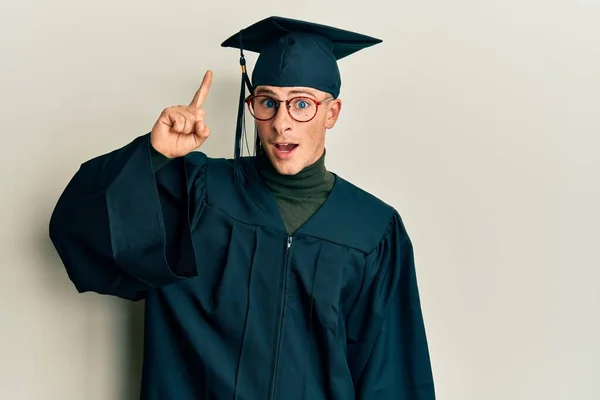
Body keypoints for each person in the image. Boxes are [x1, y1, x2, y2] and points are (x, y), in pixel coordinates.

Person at [49, 16, 436, 400]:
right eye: (268, 102)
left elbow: (394, 376)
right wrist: (154, 155)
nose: (281, 123)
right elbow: (83, 230)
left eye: (302, 103)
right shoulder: (195, 193)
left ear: (331, 113)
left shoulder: (373, 230)